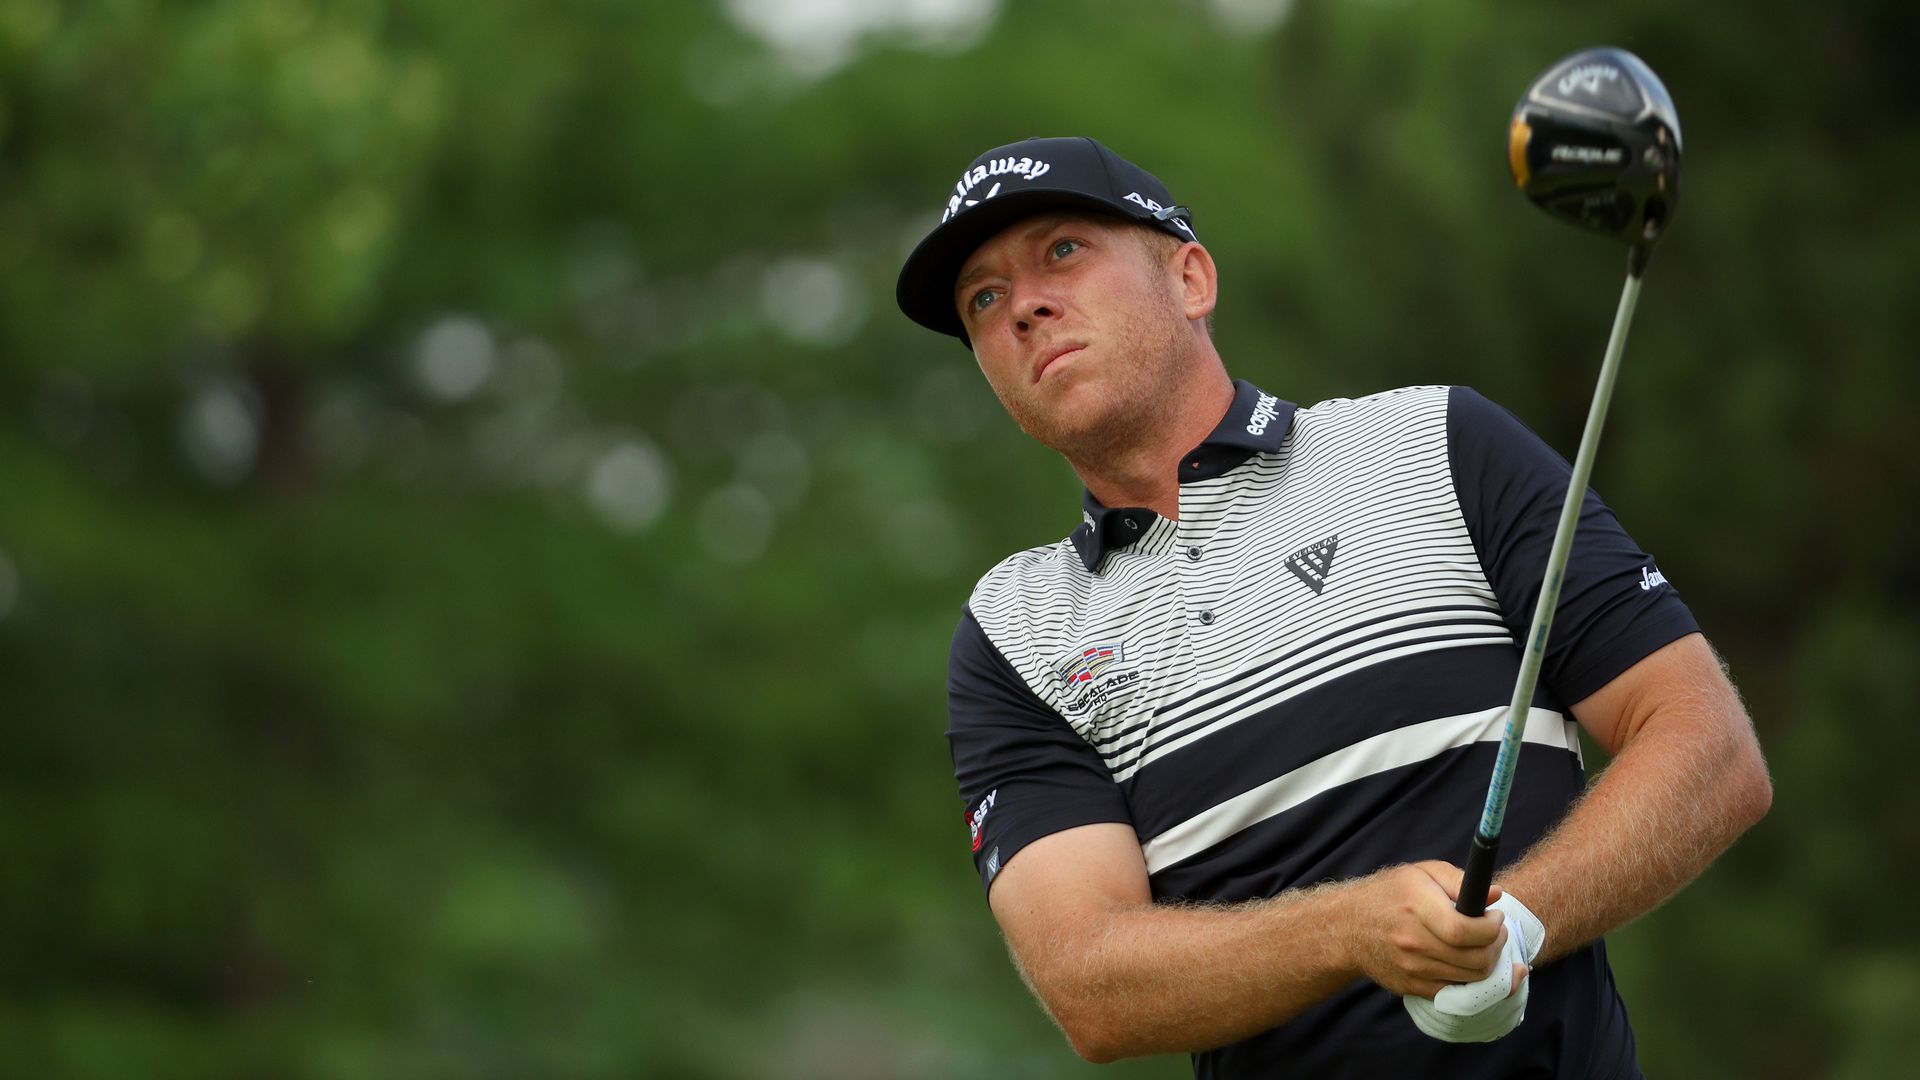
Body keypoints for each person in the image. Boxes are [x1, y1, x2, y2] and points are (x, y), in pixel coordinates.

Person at [894, 136, 1772, 1077]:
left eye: (1063, 251)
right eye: (983, 299)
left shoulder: (1435, 442)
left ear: (1190, 278)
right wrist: (1354, 932)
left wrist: (1513, 921)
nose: (1024, 305)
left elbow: (1708, 746)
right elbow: (1089, 984)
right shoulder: (1016, 632)